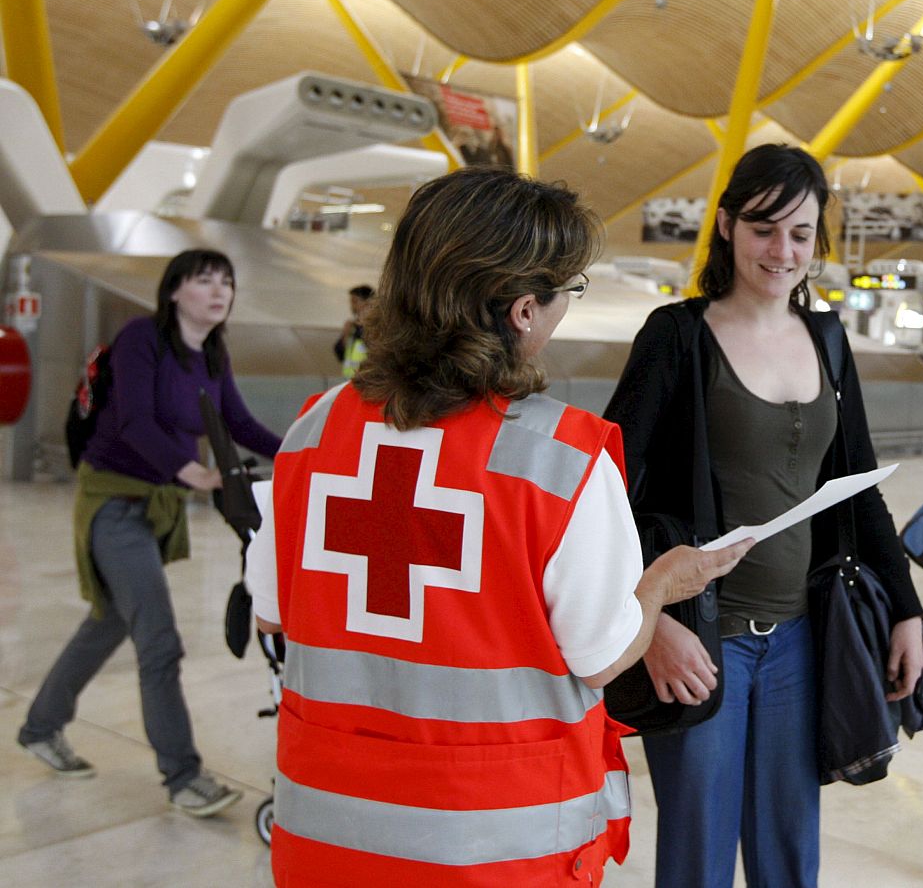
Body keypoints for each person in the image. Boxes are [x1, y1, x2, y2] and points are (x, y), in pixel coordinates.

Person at [249, 167, 749, 886]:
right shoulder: (560, 458)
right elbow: (603, 655)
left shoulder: (311, 430)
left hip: (329, 835)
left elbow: (271, 611)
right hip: (498, 851)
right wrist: (664, 581)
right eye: (567, 291)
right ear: (522, 310)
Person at [605, 143, 923, 888]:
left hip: (799, 639)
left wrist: (905, 607)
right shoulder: (678, 337)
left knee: (789, 851)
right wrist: (650, 622)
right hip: (700, 639)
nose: (782, 250)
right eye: (763, 228)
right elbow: (608, 491)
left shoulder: (829, 341)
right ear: (725, 226)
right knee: (698, 855)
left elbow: (858, 487)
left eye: (801, 233)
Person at [18, 249, 281, 817]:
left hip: (156, 508)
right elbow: (134, 420)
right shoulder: (143, 339)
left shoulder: (211, 355)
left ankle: (40, 726)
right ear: (173, 292)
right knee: (158, 639)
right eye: (204, 280)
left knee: (110, 620)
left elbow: (238, 423)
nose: (219, 291)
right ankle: (183, 776)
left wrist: (309, 453)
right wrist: (196, 474)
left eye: (227, 282)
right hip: (112, 502)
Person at [332, 283, 373, 379]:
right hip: (350, 380)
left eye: (355, 301)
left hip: (367, 381)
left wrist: (365, 327)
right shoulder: (352, 327)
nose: (352, 306)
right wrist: (345, 335)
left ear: (367, 303)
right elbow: (340, 354)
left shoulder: (376, 327)